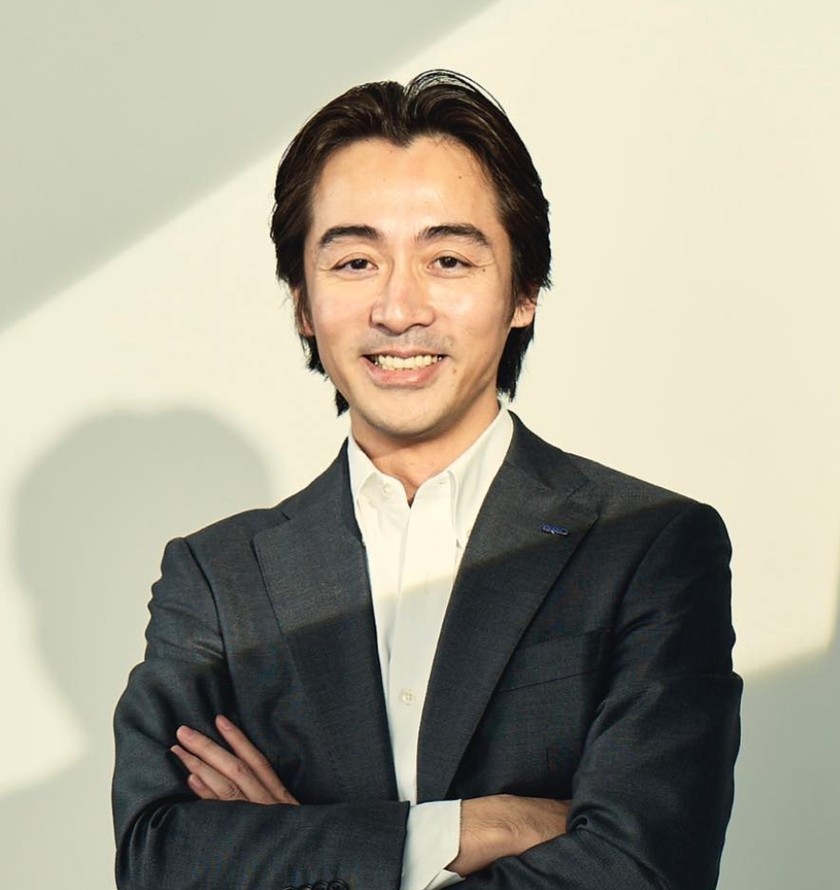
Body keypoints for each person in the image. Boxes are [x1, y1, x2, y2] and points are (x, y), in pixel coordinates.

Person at [112, 70, 742, 890]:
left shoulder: (648, 547)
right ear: (302, 302)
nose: (399, 308)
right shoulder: (217, 579)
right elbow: (160, 858)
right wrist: (483, 826)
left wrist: (304, 850)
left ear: (523, 291)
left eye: (448, 259)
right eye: (354, 261)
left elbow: (646, 866)